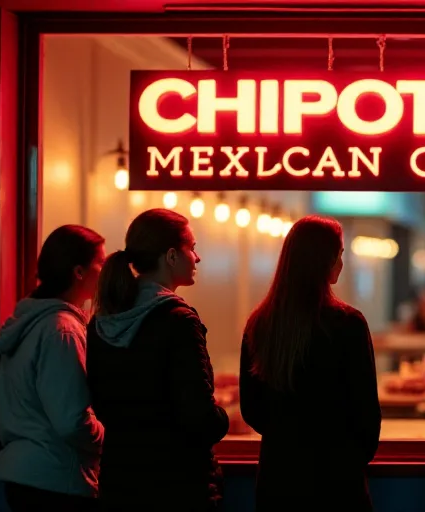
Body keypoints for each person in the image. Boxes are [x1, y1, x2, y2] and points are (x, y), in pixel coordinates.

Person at [87, 208, 228, 511]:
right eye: (193, 247)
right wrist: (222, 420)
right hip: (175, 485)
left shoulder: (101, 321)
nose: (197, 257)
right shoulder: (178, 321)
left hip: (119, 481)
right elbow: (197, 415)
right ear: (171, 256)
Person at [239, 215, 381, 511]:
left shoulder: (261, 323)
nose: (341, 263)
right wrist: (349, 458)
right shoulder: (347, 323)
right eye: (339, 254)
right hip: (337, 482)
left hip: (279, 479)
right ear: (325, 259)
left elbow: (252, 409)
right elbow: (366, 413)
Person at [0, 225, 106, 512]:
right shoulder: (62, 331)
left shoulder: (33, 322)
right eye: (100, 263)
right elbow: (72, 421)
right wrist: (110, 437)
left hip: (27, 476)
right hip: (55, 481)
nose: (105, 272)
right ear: (79, 271)